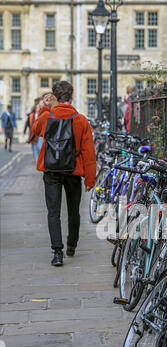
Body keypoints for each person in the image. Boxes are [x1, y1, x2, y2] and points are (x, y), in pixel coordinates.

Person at [32, 80, 96, 267]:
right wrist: (90, 179)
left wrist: (44, 108)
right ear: (72, 95)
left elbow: (36, 130)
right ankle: (72, 245)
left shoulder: (47, 116)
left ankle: (57, 252)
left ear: (54, 96)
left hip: (51, 169)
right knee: (73, 211)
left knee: (53, 212)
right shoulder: (80, 119)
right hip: (73, 170)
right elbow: (88, 151)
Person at [24, 97, 44, 163]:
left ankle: (40, 163)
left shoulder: (42, 114)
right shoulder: (31, 115)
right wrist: (24, 132)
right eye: (37, 106)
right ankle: (37, 163)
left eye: (39, 106)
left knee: (39, 148)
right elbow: (27, 124)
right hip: (33, 135)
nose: (37, 107)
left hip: (40, 135)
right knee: (34, 150)